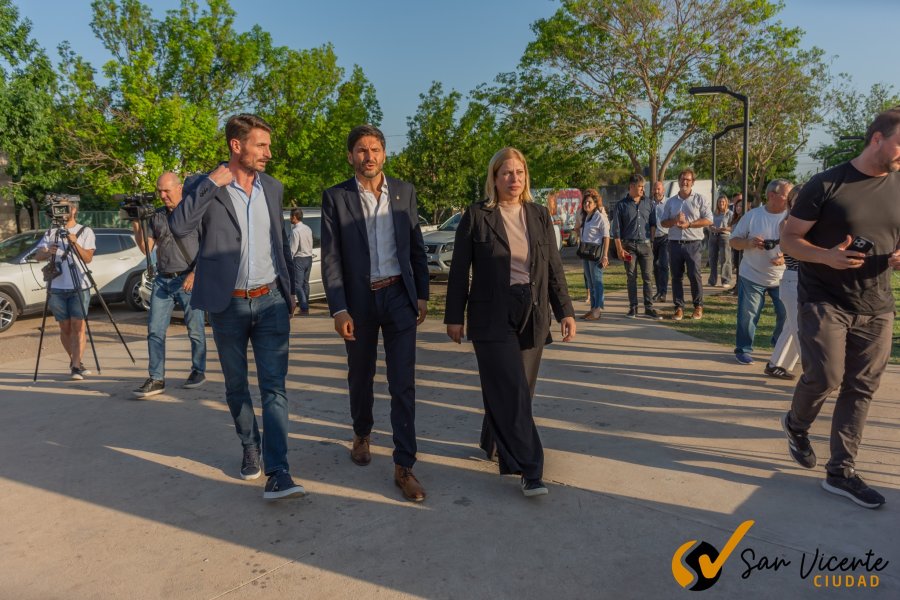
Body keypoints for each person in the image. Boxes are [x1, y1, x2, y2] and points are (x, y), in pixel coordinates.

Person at [169, 113, 304, 501]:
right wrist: (211, 183)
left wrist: (291, 290)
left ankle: (278, 470)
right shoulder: (204, 185)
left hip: (271, 300)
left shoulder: (272, 188)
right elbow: (179, 226)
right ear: (236, 145)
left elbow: (279, 241)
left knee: (274, 388)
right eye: (261, 145)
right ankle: (250, 446)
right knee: (236, 385)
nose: (268, 153)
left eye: (268, 145)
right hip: (227, 304)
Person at [780, 108, 900, 509]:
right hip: (824, 298)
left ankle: (841, 472)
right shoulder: (827, 183)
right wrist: (826, 256)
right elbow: (789, 238)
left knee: (861, 387)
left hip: (877, 304)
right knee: (825, 376)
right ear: (877, 139)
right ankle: (796, 424)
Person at [445, 147, 576, 498]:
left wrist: (565, 311)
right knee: (512, 389)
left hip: (531, 310)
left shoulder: (539, 215)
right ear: (494, 177)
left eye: (519, 172)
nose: (513, 179)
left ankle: (493, 441)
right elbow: (459, 270)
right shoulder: (477, 215)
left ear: (525, 177)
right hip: (491, 313)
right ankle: (530, 470)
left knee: (521, 390)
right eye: (506, 173)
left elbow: (553, 266)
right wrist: (454, 317)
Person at [321, 124, 430, 503]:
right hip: (359, 301)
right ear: (350, 156)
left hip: (399, 296)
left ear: (385, 153)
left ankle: (404, 465)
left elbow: (416, 246)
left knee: (403, 382)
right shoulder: (336, 197)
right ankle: (362, 433)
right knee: (361, 374)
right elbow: (331, 258)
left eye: (376, 149)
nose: (369, 156)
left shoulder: (404, 192)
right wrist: (338, 308)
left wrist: (422, 294)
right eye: (362, 150)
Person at [131, 172, 207, 398]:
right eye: (159, 191)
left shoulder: (194, 212)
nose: (162, 195)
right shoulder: (157, 216)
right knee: (155, 331)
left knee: (195, 330)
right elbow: (146, 249)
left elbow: (208, 246)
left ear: (179, 187)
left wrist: (195, 273)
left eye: (166, 190)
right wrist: (136, 222)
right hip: (163, 280)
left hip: (188, 279)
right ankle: (156, 378)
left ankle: (198, 370)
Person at [729, 179, 791, 365]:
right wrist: (748, 243)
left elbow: (800, 243)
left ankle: (778, 344)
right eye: (787, 195)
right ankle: (743, 349)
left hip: (782, 277)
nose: (791, 199)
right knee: (748, 315)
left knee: (785, 315)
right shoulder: (752, 216)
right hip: (752, 275)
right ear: (772, 195)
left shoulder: (792, 217)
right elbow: (733, 241)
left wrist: (785, 257)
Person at [35, 198, 96, 380]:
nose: (61, 211)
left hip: (79, 286)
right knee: (65, 327)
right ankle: (75, 362)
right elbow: (38, 255)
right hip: (56, 287)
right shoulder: (51, 232)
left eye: (65, 207)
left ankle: (76, 366)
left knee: (79, 326)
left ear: (74, 210)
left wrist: (75, 243)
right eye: (58, 208)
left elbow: (88, 258)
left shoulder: (85, 231)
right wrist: (48, 252)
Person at [660, 169, 712, 320]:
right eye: (682, 179)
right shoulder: (671, 202)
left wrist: (689, 224)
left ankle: (698, 306)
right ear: (678, 181)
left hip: (693, 244)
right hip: (674, 243)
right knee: (676, 277)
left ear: (692, 182)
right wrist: (674, 221)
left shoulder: (700, 199)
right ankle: (679, 308)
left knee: (694, 275)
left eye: (688, 180)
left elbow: (709, 220)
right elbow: (663, 222)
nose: (685, 182)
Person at [611, 174, 660, 319]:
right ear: (631, 186)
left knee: (648, 277)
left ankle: (649, 308)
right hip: (628, 246)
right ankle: (633, 308)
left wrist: (651, 241)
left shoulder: (649, 203)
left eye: (643, 187)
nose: (642, 189)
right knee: (631, 277)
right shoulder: (621, 205)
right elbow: (616, 230)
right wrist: (619, 249)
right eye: (640, 187)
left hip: (646, 245)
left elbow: (653, 224)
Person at [765, 185, 802, 380]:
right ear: (791, 203)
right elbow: (796, 250)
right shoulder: (787, 223)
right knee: (802, 330)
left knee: (792, 327)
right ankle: (816, 376)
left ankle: (776, 364)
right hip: (794, 279)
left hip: (805, 280)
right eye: (798, 199)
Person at [579, 189, 610, 320]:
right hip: (586, 253)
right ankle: (592, 308)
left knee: (597, 282)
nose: (586, 204)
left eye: (589, 202)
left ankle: (598, 310)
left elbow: (606, 236)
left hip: (596, 254)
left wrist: (605, 256)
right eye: (585, 202)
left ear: (595, 203)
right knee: (590, 283)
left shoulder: (599, 216)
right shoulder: (586, 217)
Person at [289, 207, 314, 315]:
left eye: (291, 216)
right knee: (305, 283)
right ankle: (305, 305)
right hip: (309, 257)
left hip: (299, 259)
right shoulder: (308, 228)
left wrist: (289, 260)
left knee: (297, 285)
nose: (290, 218)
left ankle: (304, 308)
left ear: (295, 217)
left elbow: (293, 249)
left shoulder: (295, 231)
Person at [707, 195, 734, 287]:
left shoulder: (730, 214)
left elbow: (733, 227)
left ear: (726, 203)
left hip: (724, 237)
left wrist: (724, 229)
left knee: (725, 259)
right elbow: (709, 224)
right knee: (712, 259)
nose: (721, 203)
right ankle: (712, 281)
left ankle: (726, 280)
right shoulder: (713, 213)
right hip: (713, 237)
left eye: (723, 202)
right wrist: (712, 227)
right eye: (719, 202)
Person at [650, 180, 669, 302]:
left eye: (659, 189)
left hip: (665, 237)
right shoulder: (649, 203)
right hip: (652, 238)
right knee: (655, 266)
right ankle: (658, 291)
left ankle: (663, 292)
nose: (656, 191)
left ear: (663, 190)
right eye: (654, 189)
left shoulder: (668, 203)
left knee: (663, 264)